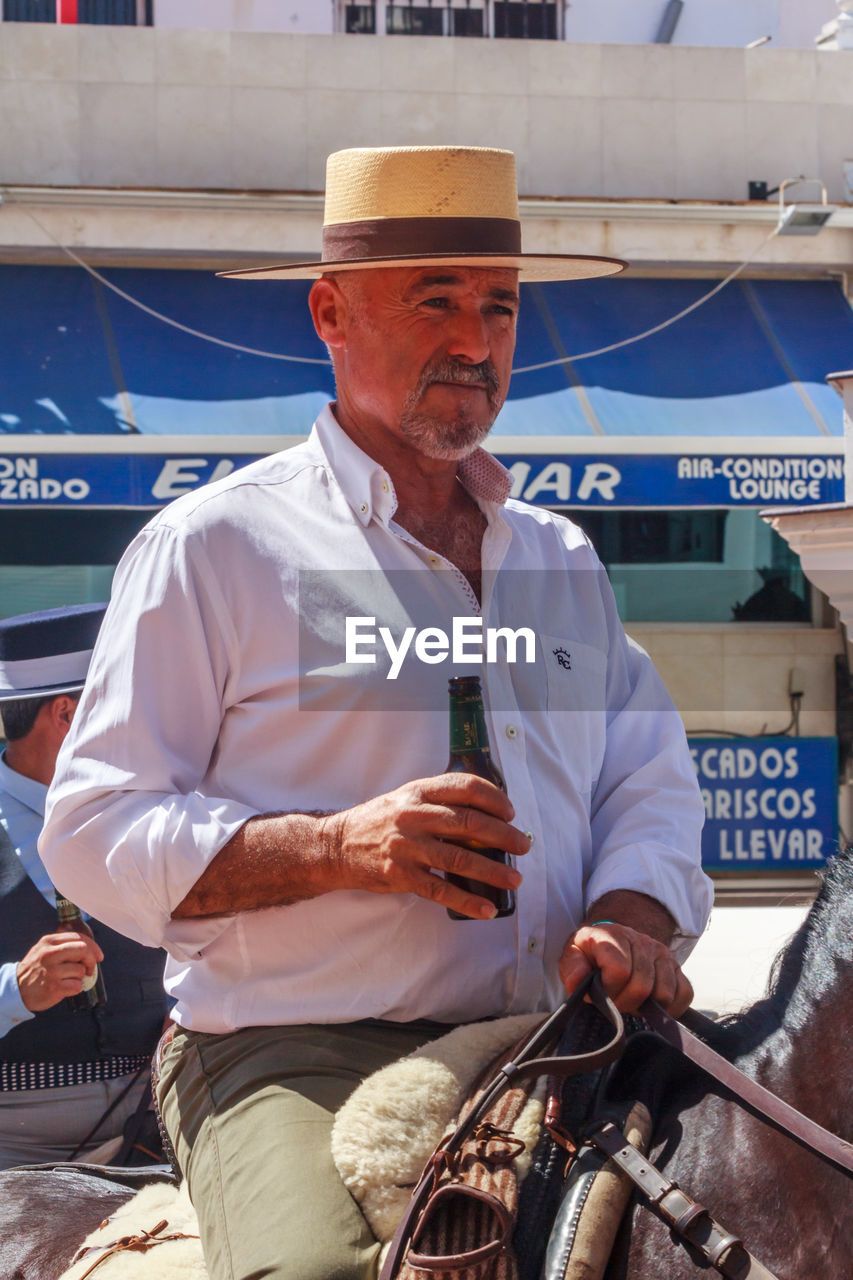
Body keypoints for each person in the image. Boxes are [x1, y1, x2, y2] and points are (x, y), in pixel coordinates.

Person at [41, 147, 713, 1279]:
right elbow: (93, 831)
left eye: (498, 306)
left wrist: (630, 909)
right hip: (292, 1053)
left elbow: (643, 776)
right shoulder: (216, 546)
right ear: (328, 313)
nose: (475, 338)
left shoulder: (558, 554)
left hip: (561, 1035)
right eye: (435, 299)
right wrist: (337, 847)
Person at [0, 604, 168, 1169]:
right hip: (12, 1145)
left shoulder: (154, 807)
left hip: (163, 1119)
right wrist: (16, 990)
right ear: (68, 715)